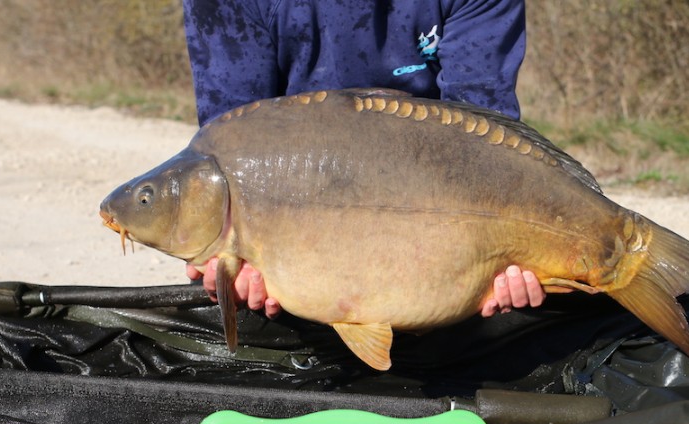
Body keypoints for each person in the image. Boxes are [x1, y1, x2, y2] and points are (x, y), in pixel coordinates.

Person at [181, 0, 550, 320]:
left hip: (443, 230)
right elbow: (231, 146)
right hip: (300, 233)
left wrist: (505, 262)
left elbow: (484, 149)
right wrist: (235, 262)